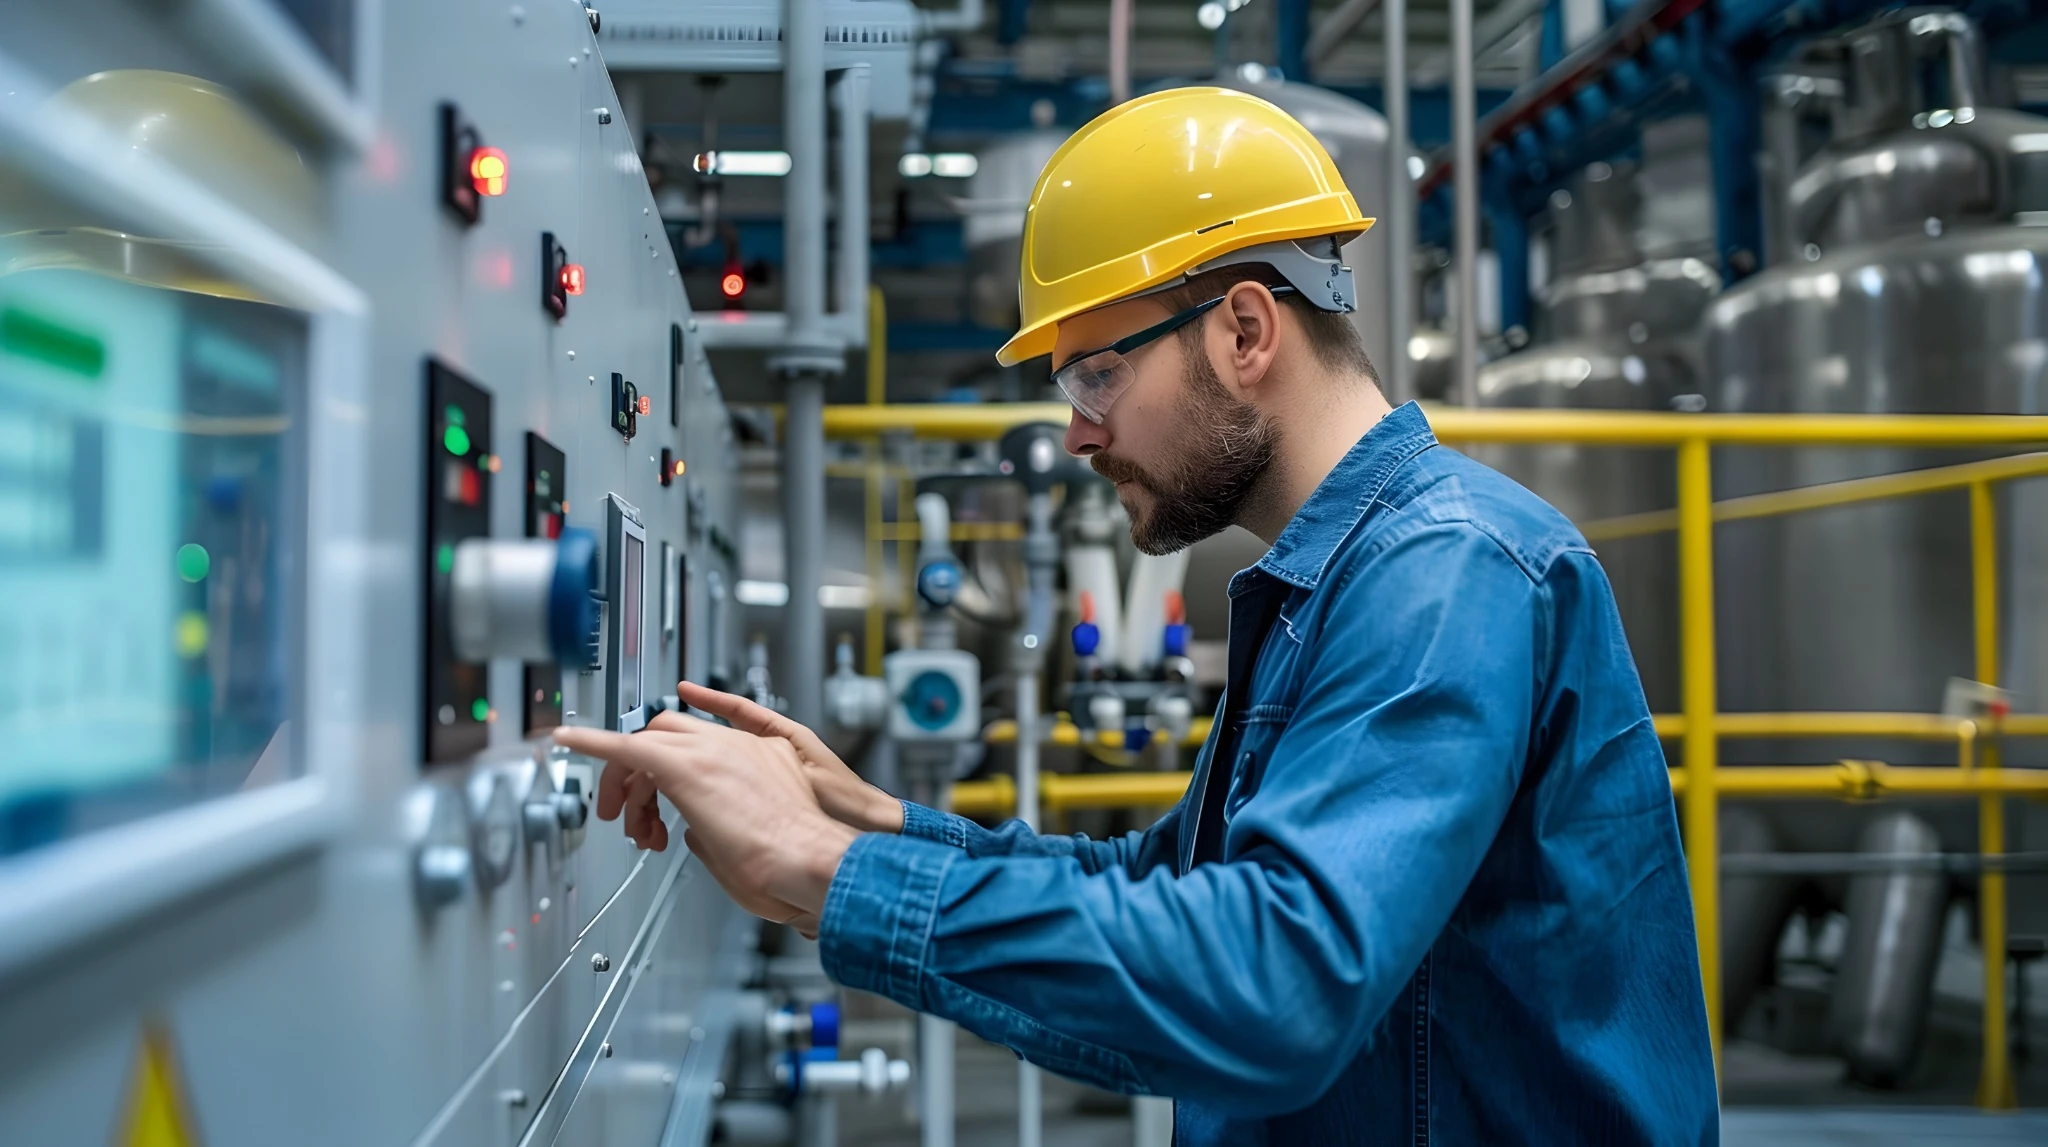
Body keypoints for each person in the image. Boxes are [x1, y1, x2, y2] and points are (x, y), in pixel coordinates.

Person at [556, 87, 1719, 1144]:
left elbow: (1276, 985)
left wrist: (823, 868)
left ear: (1246, 331)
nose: (1074, 431)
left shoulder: (1443, 572)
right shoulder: (1335, 580)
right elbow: (1171, 887)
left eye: (1094, 375)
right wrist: (874, 825)